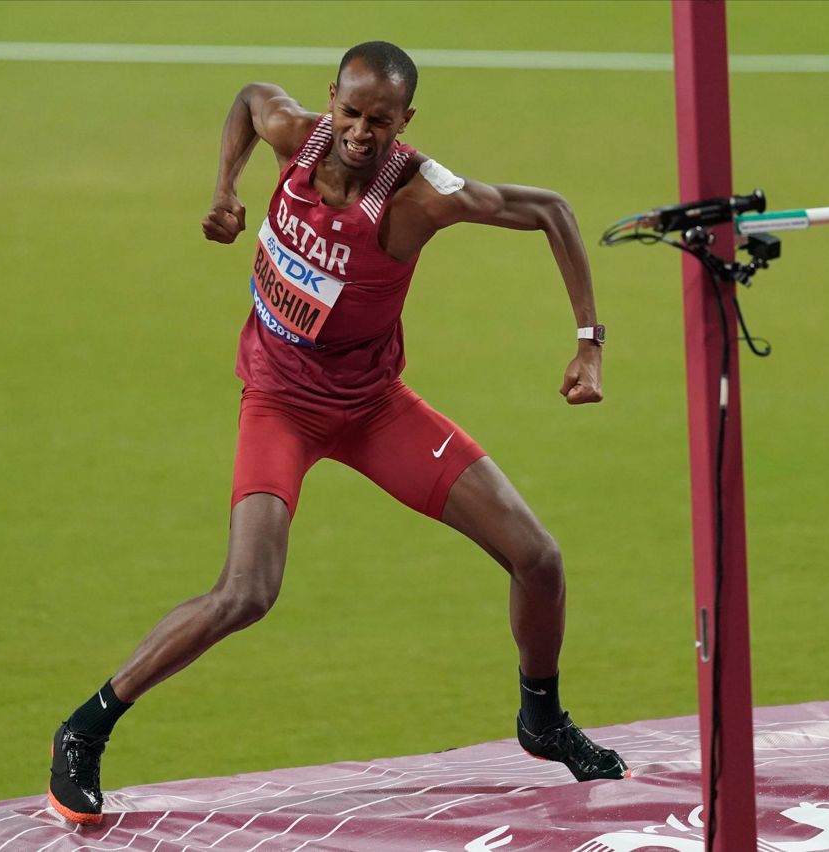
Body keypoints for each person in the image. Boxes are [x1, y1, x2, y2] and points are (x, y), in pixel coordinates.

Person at [47, 40, 627, 826]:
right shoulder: (297, 135)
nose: (359, 132)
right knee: (246, 592)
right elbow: (249, 96)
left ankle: (542, 717)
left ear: (405, 121)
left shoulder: (423, 196)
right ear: (332, 99)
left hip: (373, 408)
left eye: (379, 121)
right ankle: (84, 730)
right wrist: (224, 190)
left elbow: (551, 210)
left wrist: (590, 343)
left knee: (540, 559)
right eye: (350, 112)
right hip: (280, 404)